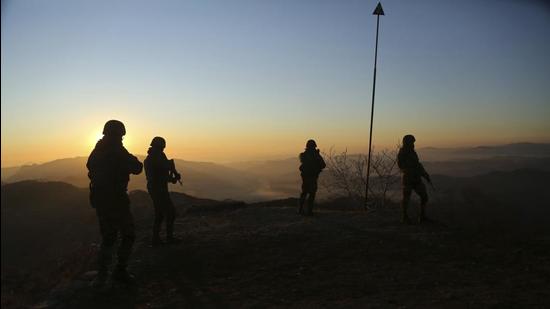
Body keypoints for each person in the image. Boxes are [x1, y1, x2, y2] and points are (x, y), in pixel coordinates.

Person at [87, 120, 143, 287]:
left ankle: (104, 275)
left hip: (104, 200)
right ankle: (116, 271)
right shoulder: (115, 151)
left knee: (109, 238)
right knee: (125, 235)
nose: (121, 139)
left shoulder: (98, 151)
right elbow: (137, 167)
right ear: (117, 135)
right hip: (115, 200)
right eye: (120, 136)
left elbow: (90, 168)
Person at [144, 136, 182, 247]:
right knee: (169, 212)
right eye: (161, 147)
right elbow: (155, 177)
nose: (162, 149)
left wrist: (172, 177)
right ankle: (166, 239)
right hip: (156, 189)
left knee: (160, 214)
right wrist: (171, 178)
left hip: (159, 188)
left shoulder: (159, 157)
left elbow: (164, 173)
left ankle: (157, 239)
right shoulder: (152, 159)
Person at [397, 134, 431, 224]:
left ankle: (422, 217)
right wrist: (411, 169)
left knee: (424, 197)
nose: (413, 144)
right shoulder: (403, 153)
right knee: (406, 199)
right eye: (412, 142)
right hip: (408, 179)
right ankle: (404, 217)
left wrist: (425, 174)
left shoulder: (413, 152)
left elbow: (418, 164)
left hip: (416, 178)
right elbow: (401, 165)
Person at [298, 139, 326, 216]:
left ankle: (300, 209)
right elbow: (323, 165)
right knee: (312, 193)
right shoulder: (316, 155)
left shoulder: (304, 155)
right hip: (313, 176)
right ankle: (309, 211)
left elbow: (302, 165)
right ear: (314, 146)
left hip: (305, 176)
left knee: (304, 192)